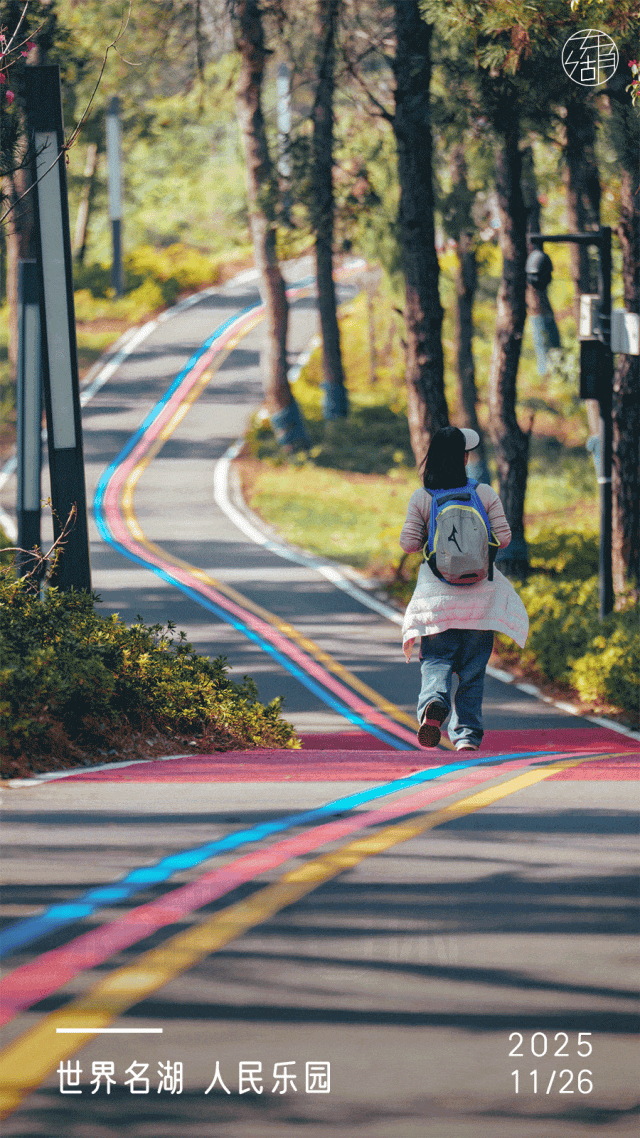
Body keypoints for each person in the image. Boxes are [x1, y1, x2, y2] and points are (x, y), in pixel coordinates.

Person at [400, 426, 529, 751]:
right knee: (472, 675)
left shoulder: (423, 498)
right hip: (480, 602)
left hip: (437, 602)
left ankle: (433, 703)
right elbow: (505, 538)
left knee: (436, 661)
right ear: (464, 457)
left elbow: (408, 544)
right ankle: (467, 736)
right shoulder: (483, 493)